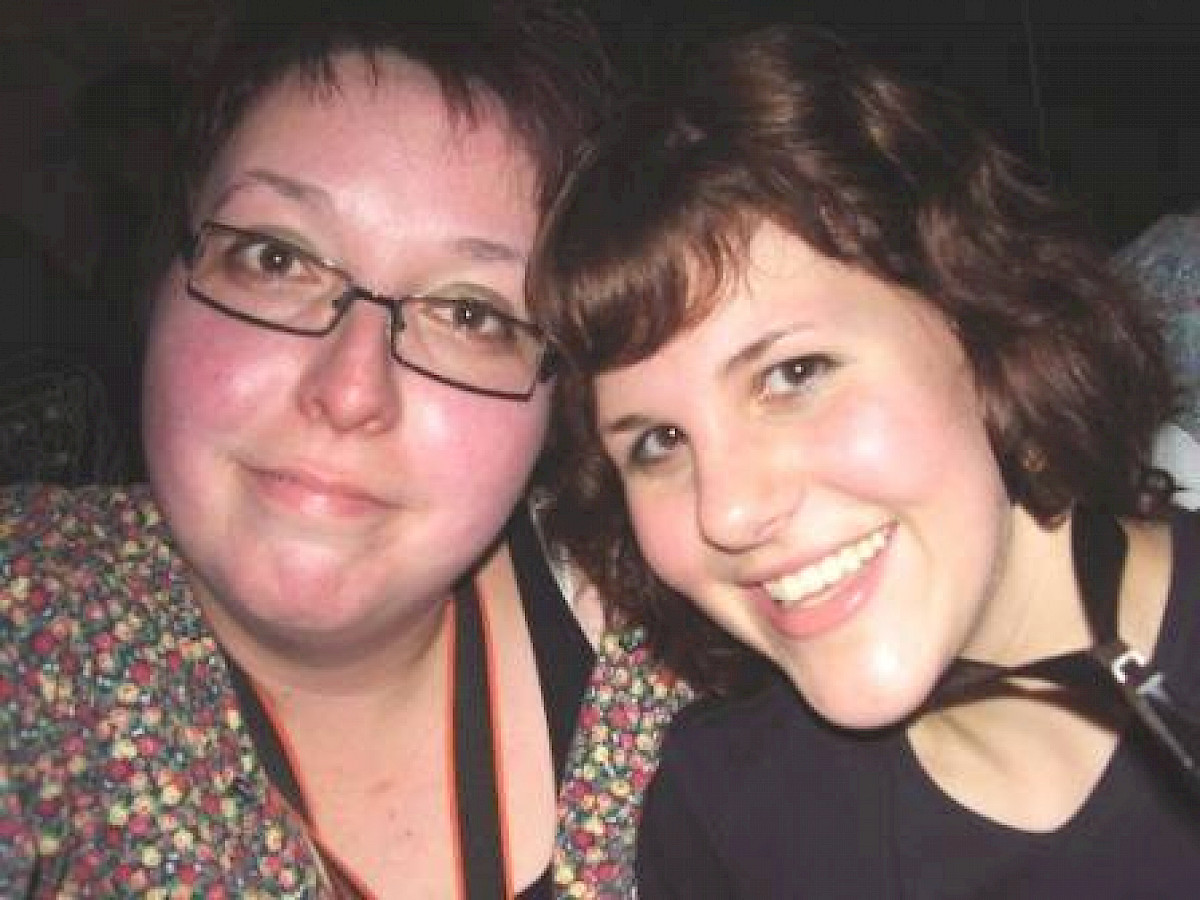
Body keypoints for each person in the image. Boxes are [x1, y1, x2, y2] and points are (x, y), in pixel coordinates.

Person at [533, 23, 1200, 898]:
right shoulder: (727, 825)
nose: (728, 511)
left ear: (983, 324)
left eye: (793, 374)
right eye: (658, 443)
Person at [0, 1, 611, 896]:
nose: (350, 392)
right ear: (162, 271)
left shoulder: (691, 630)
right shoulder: (33, 619)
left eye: (469, 313)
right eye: (276, 258)